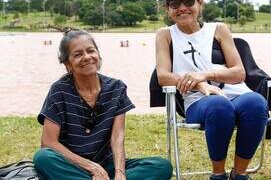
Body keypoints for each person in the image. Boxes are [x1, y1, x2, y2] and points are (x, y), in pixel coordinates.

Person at [156, 0, 268, 180]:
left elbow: (239, 73)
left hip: (236, 93)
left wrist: (204, 74)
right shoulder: (165, 35)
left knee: (256, 102)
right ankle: (218, 175)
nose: (182, 8)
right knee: (218, 106)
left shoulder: (219, 29)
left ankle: (240, 174)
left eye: (188, 1)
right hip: (198, 101)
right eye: (175, 3)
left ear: (200, 3)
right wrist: (199, 84)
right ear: (168, 9)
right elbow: (163, 77)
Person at [33, 30, 172, 180]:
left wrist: (120, 172)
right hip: (72, 165)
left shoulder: (116, 88)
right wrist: (91, 167)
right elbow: (48, 142)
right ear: (68, 64)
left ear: (98, 55)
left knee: (161, 166)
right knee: (43, 157)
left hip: (107, 165)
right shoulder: (59, 90)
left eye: (90, 51)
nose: (87, 57)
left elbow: (117, 136)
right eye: (78, 54)